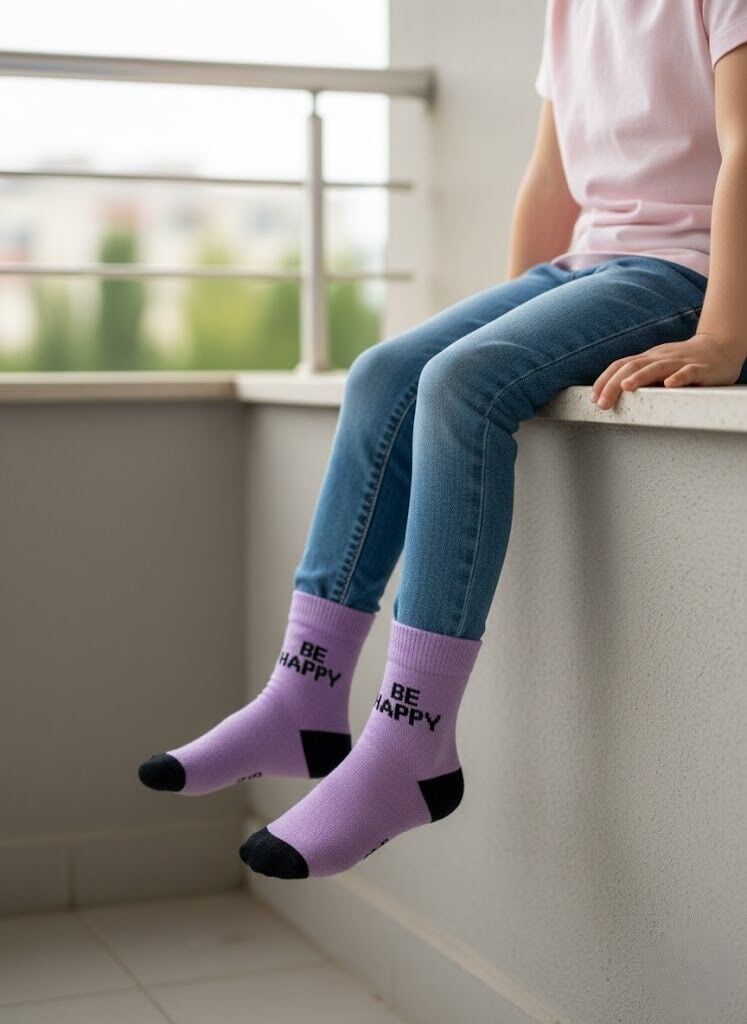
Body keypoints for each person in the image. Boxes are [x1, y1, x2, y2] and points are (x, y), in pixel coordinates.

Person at [139, 1, 747, 879]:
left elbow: (742, 144)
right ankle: (306, 688)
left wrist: (723, 334)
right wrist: (522, 311)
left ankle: (411, 740)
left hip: (685, 270)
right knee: (384, 373)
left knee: (463, 384)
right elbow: (550, 180)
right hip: (583, 267)